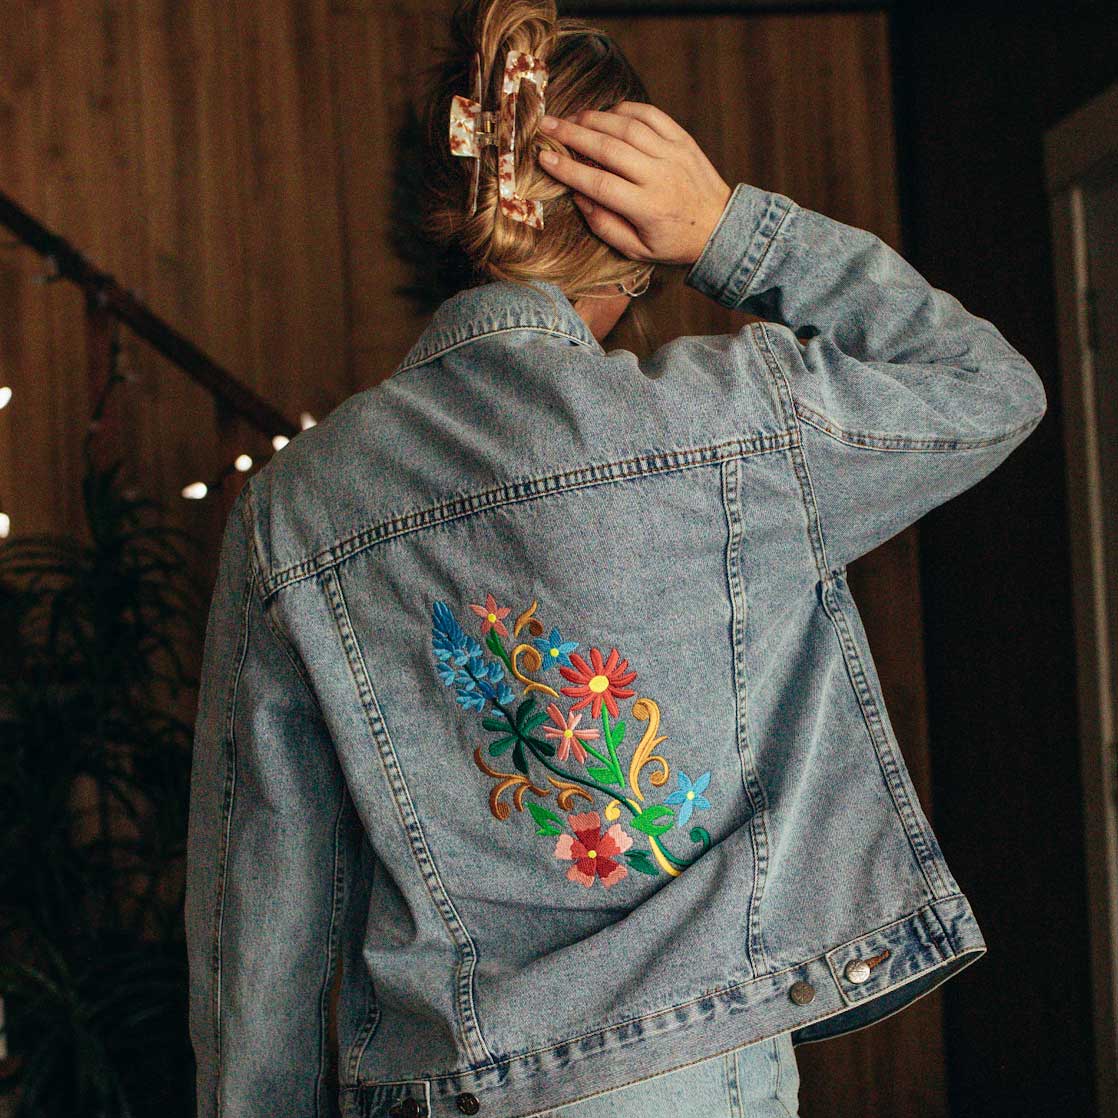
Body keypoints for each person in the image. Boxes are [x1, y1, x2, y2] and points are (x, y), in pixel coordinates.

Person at [184, 1, 1047, 1116]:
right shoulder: (735, 425)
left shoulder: (293, 509)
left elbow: (265, 902)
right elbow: (987, 386)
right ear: (631, 241)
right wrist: (729, 228)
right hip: (697, 1077)